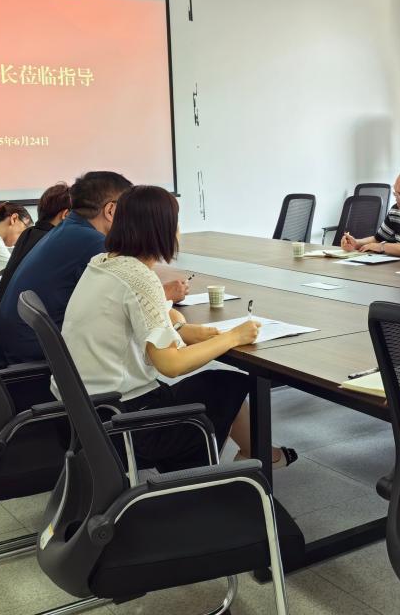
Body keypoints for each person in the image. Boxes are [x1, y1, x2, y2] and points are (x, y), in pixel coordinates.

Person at [62, 185, 296, 471]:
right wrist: (234, 337)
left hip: (88, 414)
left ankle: (253, 455)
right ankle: (198, 479)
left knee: (216, 386)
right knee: (225, 385)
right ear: (161, 229)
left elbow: (140, 317)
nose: (179, 231)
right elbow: (171, 365)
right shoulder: (138, 277)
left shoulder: (103, 263)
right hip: (125, 423)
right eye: (176, 222)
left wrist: (182, 328)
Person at [0, 171, 189, 367]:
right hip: (39, 361)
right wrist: (162, 295)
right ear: (111, 210)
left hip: (16, 352)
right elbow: (128, 302)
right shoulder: (95, 244)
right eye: (130, 211)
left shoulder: (67, 230)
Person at [0, 183, 72, 334]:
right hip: (22, 337)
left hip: (0, 331)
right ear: (66, 215)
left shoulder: (29, 234)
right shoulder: (53, 242)